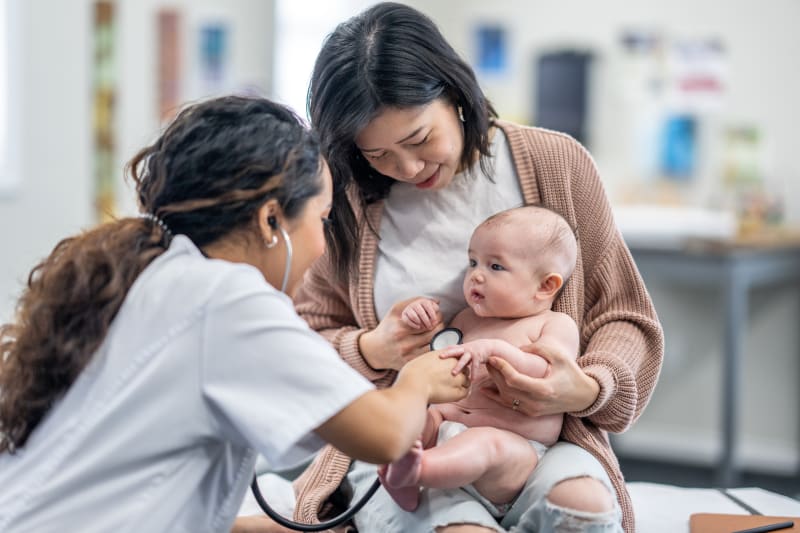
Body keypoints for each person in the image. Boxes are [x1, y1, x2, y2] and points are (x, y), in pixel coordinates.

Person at [263, 3, 665, 533]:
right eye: (377, 154)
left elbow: (623, 314)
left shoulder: (558, 165)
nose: (406, 169)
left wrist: (586, 388)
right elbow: (301, 338)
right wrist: (368, 350)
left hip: (541, 443)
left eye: (418, 140)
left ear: (455, 95)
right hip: (410, 436)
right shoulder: (348, 199)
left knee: (582, 512)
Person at [0, 95, 471, 533]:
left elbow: (141, 474)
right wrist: (420, 380)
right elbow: (386, 435)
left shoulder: (149, 279)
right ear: (271, 221)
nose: (323, 244)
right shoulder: (227, 301)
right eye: (323, 219)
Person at [380, 205, 580, 516]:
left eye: (495, 267)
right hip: (443, 427)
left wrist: (493, 350)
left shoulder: (554, 325)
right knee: (416, 415)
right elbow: (438, 357)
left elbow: (548, 372)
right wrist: (419, 318)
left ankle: (417, 471)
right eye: (473, 262)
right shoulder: (465, 318)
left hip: (511, 452)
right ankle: (403, 469)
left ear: (545, 286)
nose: (476, 275)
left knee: (485, 444)